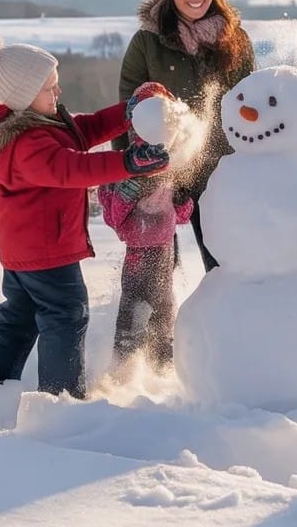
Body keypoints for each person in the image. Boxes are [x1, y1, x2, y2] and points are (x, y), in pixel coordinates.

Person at [0, 35, 170, 399]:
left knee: (18, 316)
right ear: (24, 97)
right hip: (46, 251)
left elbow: (86, 129)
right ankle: (60, 399)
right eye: (49, 88)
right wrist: (129, 163)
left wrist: (129, 112)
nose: (57, 91)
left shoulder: (39, 123)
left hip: (24, 251)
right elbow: (72, 168)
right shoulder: (26, 145)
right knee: (66, 315)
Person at [116, 0, 255, 274]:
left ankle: (229, 325)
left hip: (221, 170)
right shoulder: (147, 42)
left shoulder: (235, 39)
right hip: (159, 171)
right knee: (153, 273)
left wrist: (254, 165)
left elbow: (251, 105)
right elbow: (127, 107)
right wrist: (123, 169)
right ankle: (149, 327)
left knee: (226, 265)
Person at [97, 81, 194, 375]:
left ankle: (160, 368)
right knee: (134, 308)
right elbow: (117, 221)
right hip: (140, 252)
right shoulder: (131, 165)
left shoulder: (169, 161)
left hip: (165, 248)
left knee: (163, 307)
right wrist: (128, 190)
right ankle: (122, 370)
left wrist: (182, 197)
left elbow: (181, 215)